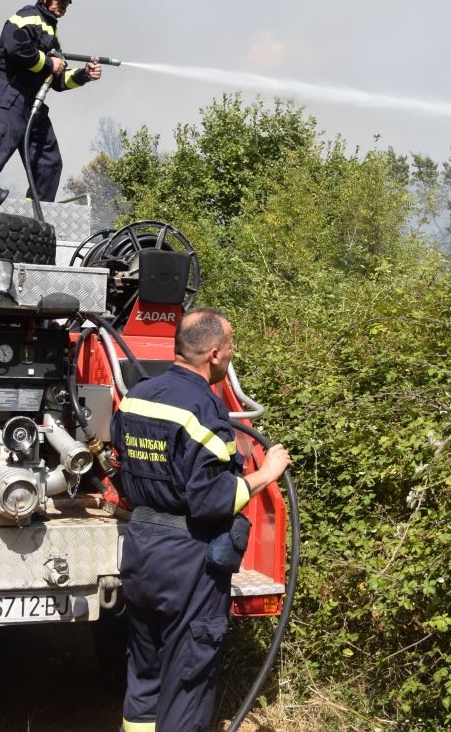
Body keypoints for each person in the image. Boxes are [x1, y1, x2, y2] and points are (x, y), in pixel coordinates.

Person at [111, 309, 291, 732]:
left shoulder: (136, 395)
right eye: (230, 347)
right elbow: (211, 500)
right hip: (186, 558)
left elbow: (119, 465)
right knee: (187, 678)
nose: (231, 354)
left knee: (145, 669)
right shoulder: (205, 408)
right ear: (214, 354)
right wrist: (266, 473)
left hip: (140, 550)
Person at [0, 0, 102, 203]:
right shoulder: (27, 17)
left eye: (68, 0)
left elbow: (58, 81)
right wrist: (49, 63)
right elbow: (15, 48)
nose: (64, 4)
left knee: (49, 164)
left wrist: (84, 75)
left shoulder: (52, 31)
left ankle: (35, 215)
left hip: (33, 101)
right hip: (10, 94)